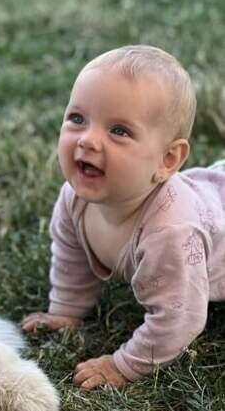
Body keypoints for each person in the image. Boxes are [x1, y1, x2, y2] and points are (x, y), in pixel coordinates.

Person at [22, 45, 225, 389]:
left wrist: (123, 366)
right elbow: (72, 256)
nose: (88, 140)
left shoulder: (171, 231)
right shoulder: (74, 200)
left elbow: (180, 318)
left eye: (119, 131)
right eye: (77, 119)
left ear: (168, 161)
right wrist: (65, 310)